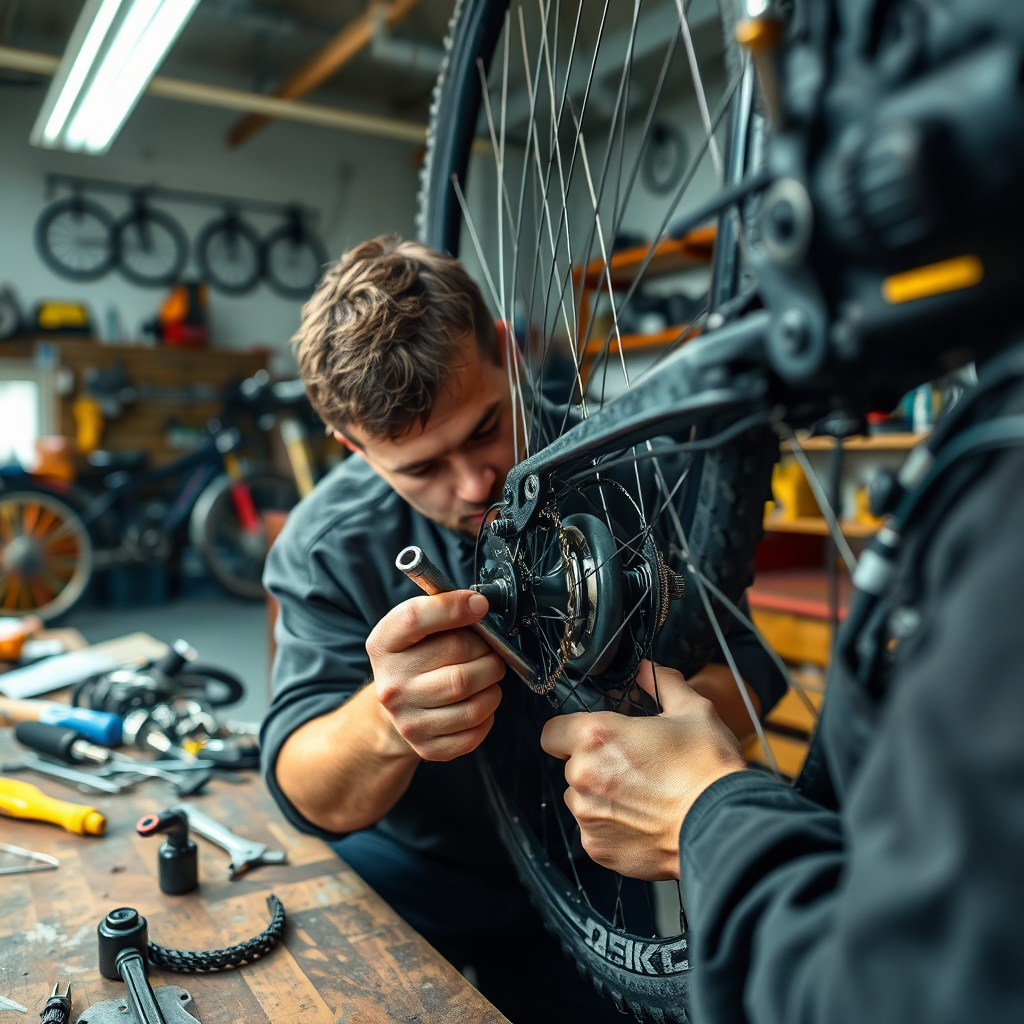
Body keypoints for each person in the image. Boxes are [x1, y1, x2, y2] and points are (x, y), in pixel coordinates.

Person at [260, 235, 786, 1023]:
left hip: (605, 870)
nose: (474, 484)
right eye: (420, 470)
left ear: (506, 350)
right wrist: (383, 720)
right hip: (419, 870)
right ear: (352, 448)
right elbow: (303, 786)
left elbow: (748, 657)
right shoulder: (324, 545)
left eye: (483, 428)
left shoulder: (641, 467)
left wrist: (679, 742)